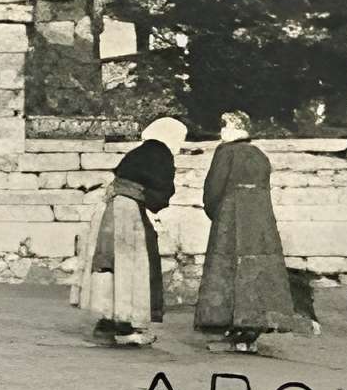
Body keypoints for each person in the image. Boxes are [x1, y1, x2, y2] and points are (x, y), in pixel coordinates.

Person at [76, 116, 187, 347]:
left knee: (109, 264)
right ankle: (125, 327)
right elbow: (162, 192)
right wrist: (156, 203)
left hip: (109, 208)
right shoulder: (162, 155)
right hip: (128, 213)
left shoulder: (137, 152)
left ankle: (105, 324)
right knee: (134, 266)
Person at [194, 110, 296, 353]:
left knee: (227, 268)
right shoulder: (259, 155)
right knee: (256, 269)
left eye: (225, 125)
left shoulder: (225, 153)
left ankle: (229, 327)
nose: (221, 130)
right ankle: (250, 330)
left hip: (231, 215)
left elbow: (213, 189)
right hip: (260, 219)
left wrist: (216, 213)